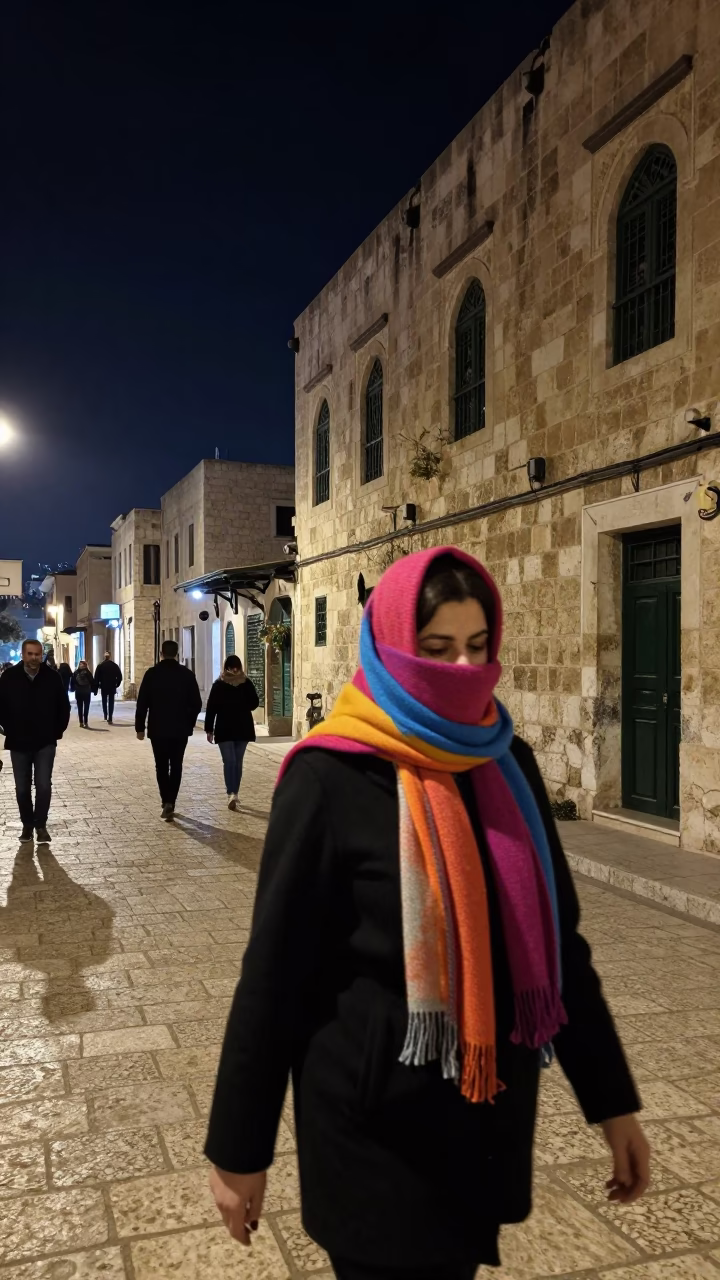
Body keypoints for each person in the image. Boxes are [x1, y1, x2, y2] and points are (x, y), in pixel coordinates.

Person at [205, 548, 649, 1277]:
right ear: (391, 648)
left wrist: (613, 1104)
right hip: (373, 1130)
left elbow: (562, 947)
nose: (462, 669)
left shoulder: (508, 764)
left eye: (478, 648)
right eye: (437, 650)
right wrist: (238, 1152)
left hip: (485, 1124)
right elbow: (274, 975)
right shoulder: (328, 776)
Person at [0, 638, 70, 844]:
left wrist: (58, 730)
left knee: (43, 785)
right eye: (30, 654)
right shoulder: (9, 677)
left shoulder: (52, 677)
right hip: (18, 742)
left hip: (45, 742)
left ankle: (41, 825)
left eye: (37, 654)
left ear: (42, 655)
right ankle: (27, 825)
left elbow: (63, 706)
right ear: (23, 654)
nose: (33, 658)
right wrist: (7, 728)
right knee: (22, 787)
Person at [135, 638, 202, 820]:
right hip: (180, 729)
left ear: (161, 654)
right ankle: (171, 800)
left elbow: (142, 702)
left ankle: (165, 801)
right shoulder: (187, 675)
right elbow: (196, 703)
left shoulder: (152, 674)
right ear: (177, 654)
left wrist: (140, 727)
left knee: (161, 766)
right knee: (177, 765)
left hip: (158, 729)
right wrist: (189, 723)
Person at [205, 655, 259, 810]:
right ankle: (231, 793)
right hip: (225, 728)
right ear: (227, 668)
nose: (235, 670)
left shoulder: (246, 683)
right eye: (232, 667)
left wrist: (243, 696)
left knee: (237, 761)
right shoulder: (219, 685)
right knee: (230, 761)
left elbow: (254, 703)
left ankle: (234, 792)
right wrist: (209, 729)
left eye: (237, 667)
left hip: (241, 728)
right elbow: (211, 708)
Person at [94, 650, 122, 723]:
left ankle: (105, 715)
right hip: (112, 686)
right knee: (111, 702)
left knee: (104, 701)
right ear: (110, 656)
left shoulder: (100, 665)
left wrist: (96, 687)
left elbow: (96, 677)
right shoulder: (114, 665)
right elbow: (119, 676)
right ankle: (110, 717)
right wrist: (117, 684)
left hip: (104, 686)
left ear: (104, 656)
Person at [70, 659, 94, 728]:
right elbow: (92, 682)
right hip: (86, 692)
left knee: (80, 707)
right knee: (86, 707)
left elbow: (72, 682)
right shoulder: (88, 673)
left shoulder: (75, 672)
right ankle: (86, 722)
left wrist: (72, 689)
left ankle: (81, 722)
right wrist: (93, 690)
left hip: (78, 692)